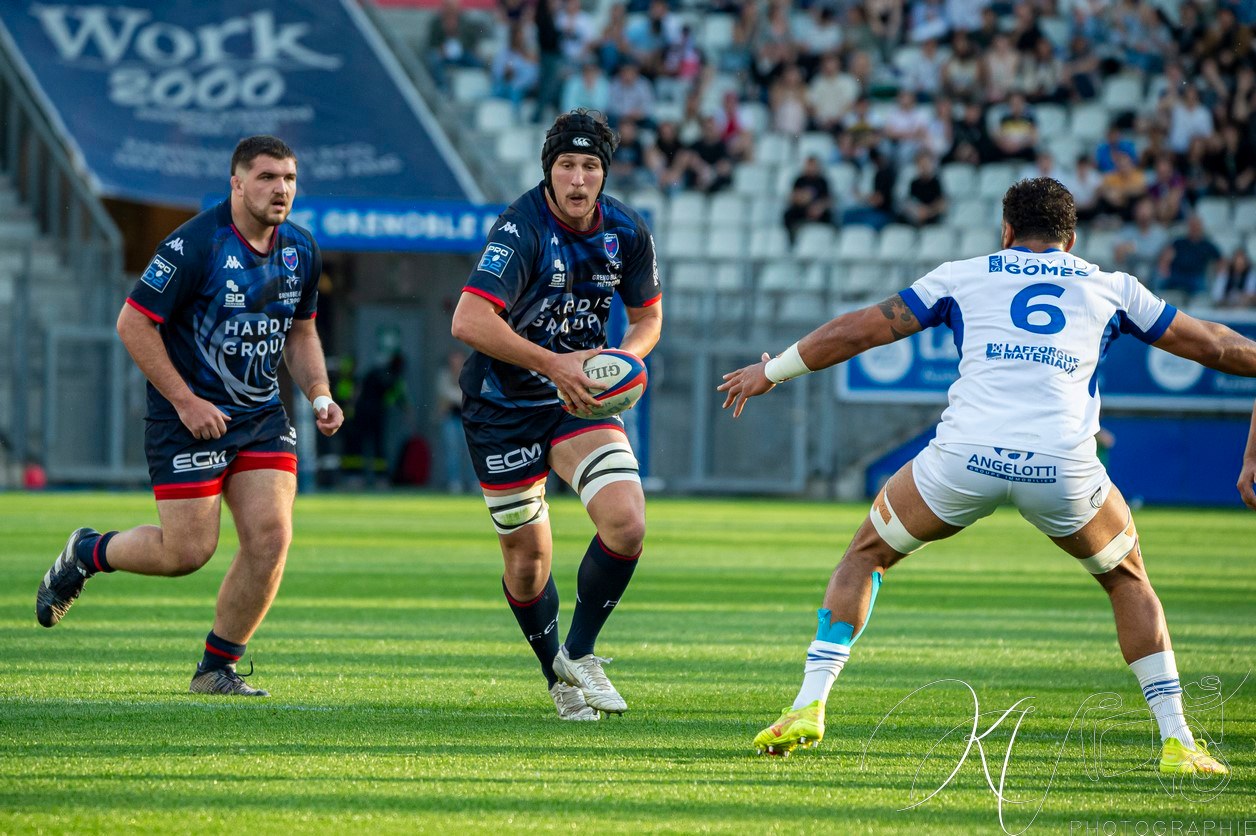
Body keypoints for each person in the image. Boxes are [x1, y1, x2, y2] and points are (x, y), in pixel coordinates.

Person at [719, 177, 1254, 775]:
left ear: (1005, 231)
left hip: (965, 460)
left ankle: (809, 705)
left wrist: (775, 372)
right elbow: (1213, 344)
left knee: (865, 554)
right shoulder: (1113, 287)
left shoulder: (963, 274)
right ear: (1070, 240)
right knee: (1127, 580)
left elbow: (858, 328)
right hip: (1063, 467)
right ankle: (1177, 740)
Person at [35, 135, 343, 696]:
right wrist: (185, 401)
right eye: (268, 177)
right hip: (187, 417)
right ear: (237, 182)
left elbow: (301, 332)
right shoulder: (195, 245)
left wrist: (319, 392)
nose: (281, 190)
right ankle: (86, 551)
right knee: (186, 554)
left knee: (271, 537)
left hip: (260, 416)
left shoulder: (301, 248)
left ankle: (215, 668)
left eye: (290, 179)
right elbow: (133, 323)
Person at [450, 108, 662, 721]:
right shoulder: (521, 229)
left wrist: (622, 360)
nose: (577, 178)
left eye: (589, 166)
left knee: (626, 523)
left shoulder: (626, 230)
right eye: (566, 165)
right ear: (549, 170)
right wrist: (556, 365)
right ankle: (558, 678)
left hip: (578, 403)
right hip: (503, 406)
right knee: (527, 561)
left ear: (603, 173)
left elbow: (647, 317)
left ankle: (583, 652)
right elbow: (468, 320)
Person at [437, 349, 476, 492]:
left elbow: (467, 396)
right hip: (451, 418)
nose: (455, 362)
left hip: (467, 419)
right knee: (452, 452)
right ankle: (454, 482)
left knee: (472, 452)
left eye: (458, 359)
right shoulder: (444, 375)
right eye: (453, 359)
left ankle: (475, 482)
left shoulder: (469, 373)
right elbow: (445, 395)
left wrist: (456, 398)